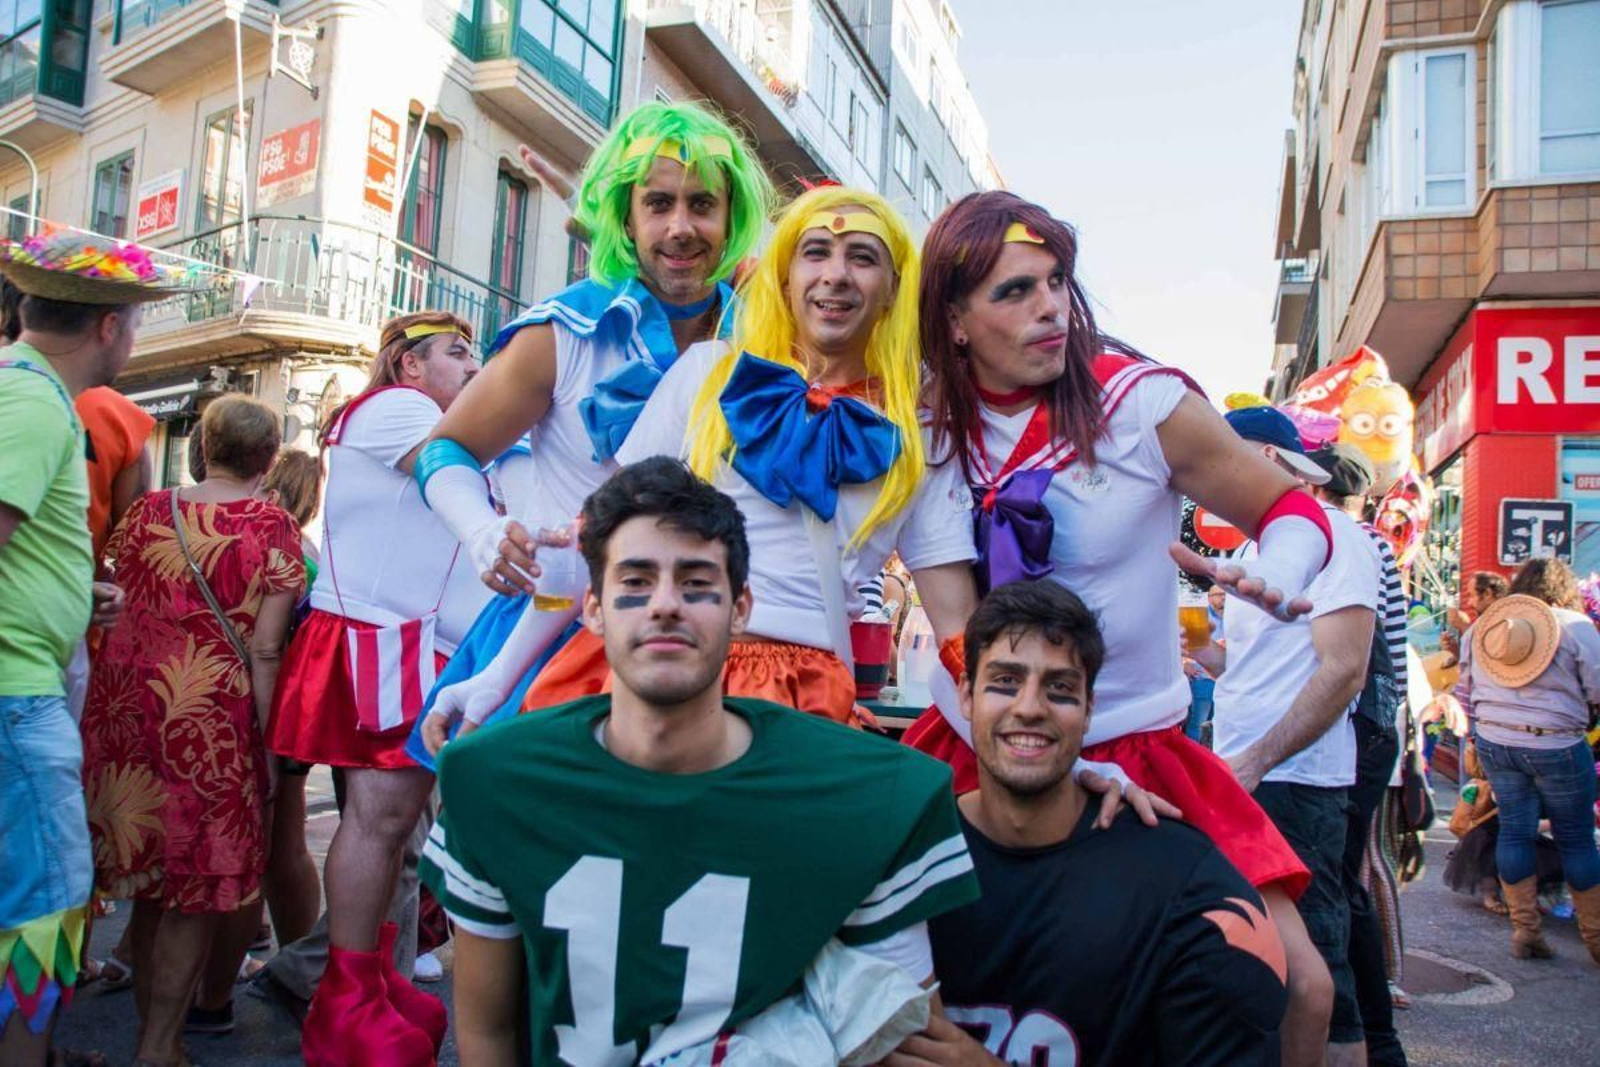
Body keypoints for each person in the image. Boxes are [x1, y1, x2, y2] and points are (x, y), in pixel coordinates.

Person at [903, 191, 1334, 1065]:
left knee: (1301, 985)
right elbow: (957, 631)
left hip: (1142, 749)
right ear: (953, 319)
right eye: (1014, 291)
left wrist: (1278, 571)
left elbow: (1285, 506)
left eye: (1056, 281)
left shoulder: (1142, 403)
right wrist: (1046, 756)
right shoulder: (927, 434)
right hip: (976, 739)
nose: (1050, 306)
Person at [420, 457, 981, 1065]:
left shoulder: (871, 795)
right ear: (592, 609)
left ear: (741, 609)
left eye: (695, 584)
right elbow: (486, 1032)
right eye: (635, 582)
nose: (665, 605)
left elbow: (908, 1038)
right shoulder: (497, 780)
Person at [413, 100, 773, 754]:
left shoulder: (768, 341)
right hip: (552, 633)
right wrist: (482, 531)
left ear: (731, 218)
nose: (681, 227)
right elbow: (445, 450)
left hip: (709, 644)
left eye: (702, 204)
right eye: (658, 204)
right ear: (628, 221)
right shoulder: (564, 330)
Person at [898, 580, 1287, 1066]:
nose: (1029, 707)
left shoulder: (1188, 892)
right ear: (966, 696)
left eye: (1059, 689)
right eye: (1004, 682)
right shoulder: (898, 863)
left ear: (1089, 710)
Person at [264, 311, 488, 1065]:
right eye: (458, 353)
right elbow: (472, 461)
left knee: (390, 828)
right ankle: (346, 998)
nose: (475, 365)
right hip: (380, 646)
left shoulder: (416, 412)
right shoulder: (400, 411)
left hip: (399, 645)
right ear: (408, 366)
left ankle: (366, 985)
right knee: (378, 822)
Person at [0, 231, 180, 1067]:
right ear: (110, 326)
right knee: (52, 901)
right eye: (136, 323)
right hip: (15, 695)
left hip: (26, 681)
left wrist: (74, 594)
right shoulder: (35, 403)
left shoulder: (26, 391)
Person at [79, 396, 303, 1065]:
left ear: (202, 446)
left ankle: (156, 1034)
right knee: (195, 887)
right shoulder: (273, 524)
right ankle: (158, 1044)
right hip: (212, 723)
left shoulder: (148, 511)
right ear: (268, 458)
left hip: (128, 714)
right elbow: (265, 650)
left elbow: (116, 587)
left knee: (150, 884)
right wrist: (270, 746)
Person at [1203, 407, 1380, 1067]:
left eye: (1224, 454)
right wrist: (1199, 653)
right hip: (1245, 774)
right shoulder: (1254, 548)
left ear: (1269, 461)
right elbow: (1248, 668)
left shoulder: (1334, 534)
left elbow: (1343, 669)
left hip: (1295, 781)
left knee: (1319, 967)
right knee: (1263, 954)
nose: (1209, 473)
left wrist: (1255, 759)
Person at [1306, 442, 1408, 1065]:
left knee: (1341, 885)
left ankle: (1371, 1038)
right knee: (1354, 876)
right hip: (1376, 721)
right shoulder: (1376, 543)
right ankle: (1379, 1033)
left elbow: (1345, 655)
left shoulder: (1341, 538)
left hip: (1355, 723)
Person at [1456, 559, 1600, 964]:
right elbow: (1597, 687)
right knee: (1576, 839)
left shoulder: (1485, 628)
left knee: (1514, 832)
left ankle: (1525, 932)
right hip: (1556, 744)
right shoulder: (1575, 626)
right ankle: (1596, 940)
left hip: (1497, 742)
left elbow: (1465, 689)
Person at [258, 447, 326, 953]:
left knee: (266, 837)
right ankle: (293, 950)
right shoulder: (312, 555)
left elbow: (265, 644)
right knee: (288, 835)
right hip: (298, 702)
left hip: (262, 702)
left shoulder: (274, 546)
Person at [1448, 570, 1509, 635]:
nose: (1469, 603)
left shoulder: (1503, 623)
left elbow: (1483, 643)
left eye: (1472, 596)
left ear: (1487, 594)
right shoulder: (1494, 620)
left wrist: (1463, 626)